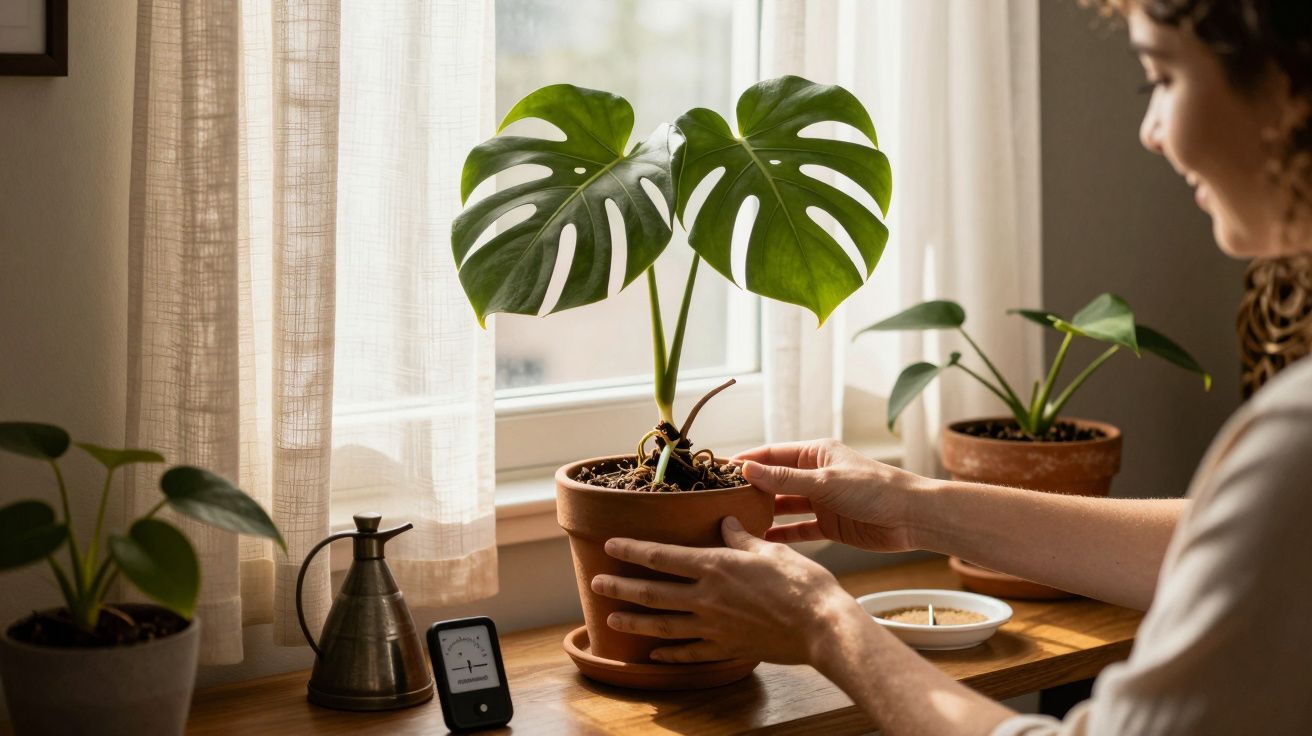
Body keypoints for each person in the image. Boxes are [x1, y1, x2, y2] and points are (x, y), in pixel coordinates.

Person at [588, 1, 1312, 733]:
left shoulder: (1297, 432)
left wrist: (822, 624)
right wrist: (914, 506)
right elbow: (1239, 552)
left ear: (1291, 81)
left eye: (1160, 77)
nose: (1151, 132)